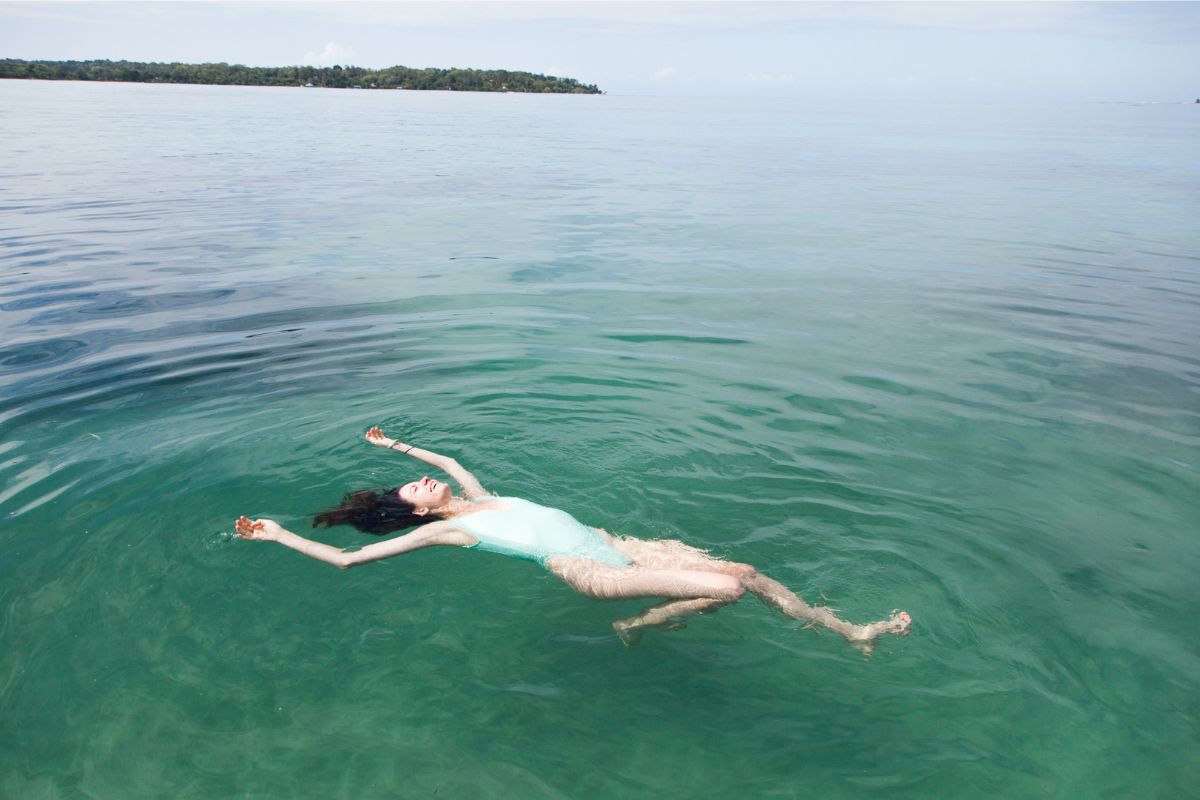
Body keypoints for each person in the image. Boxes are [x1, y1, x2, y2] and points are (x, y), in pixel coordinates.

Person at [236, 427, 911, 654]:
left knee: (748, 572)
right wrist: (278, 535)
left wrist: (394, 445)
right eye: (414, 488)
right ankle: (639, 619)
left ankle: (849, 631)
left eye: (418, 478)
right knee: (727, 588)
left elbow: (449, 461)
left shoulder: (481, 496)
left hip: (623, 543)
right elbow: (349, 559)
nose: (423, 480)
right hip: (595, 570)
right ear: (416, 513)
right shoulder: (455, 532)